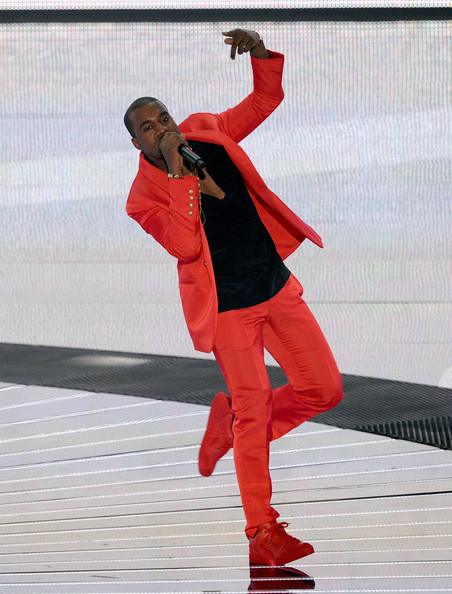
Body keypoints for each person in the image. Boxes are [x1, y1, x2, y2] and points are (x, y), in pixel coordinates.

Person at [124, 28, 343, 566]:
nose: (163, 129)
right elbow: (183, 244)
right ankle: (262, 531)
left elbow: (265, 101)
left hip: (273, 284)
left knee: (323, 390)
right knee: (254, 407)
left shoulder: (207, 130)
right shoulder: (143, 198)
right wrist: (180, 176)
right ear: (137, 144)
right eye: (149, 128)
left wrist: (261, 53)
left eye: (164, 118)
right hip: (227, 310)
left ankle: (231, 426)